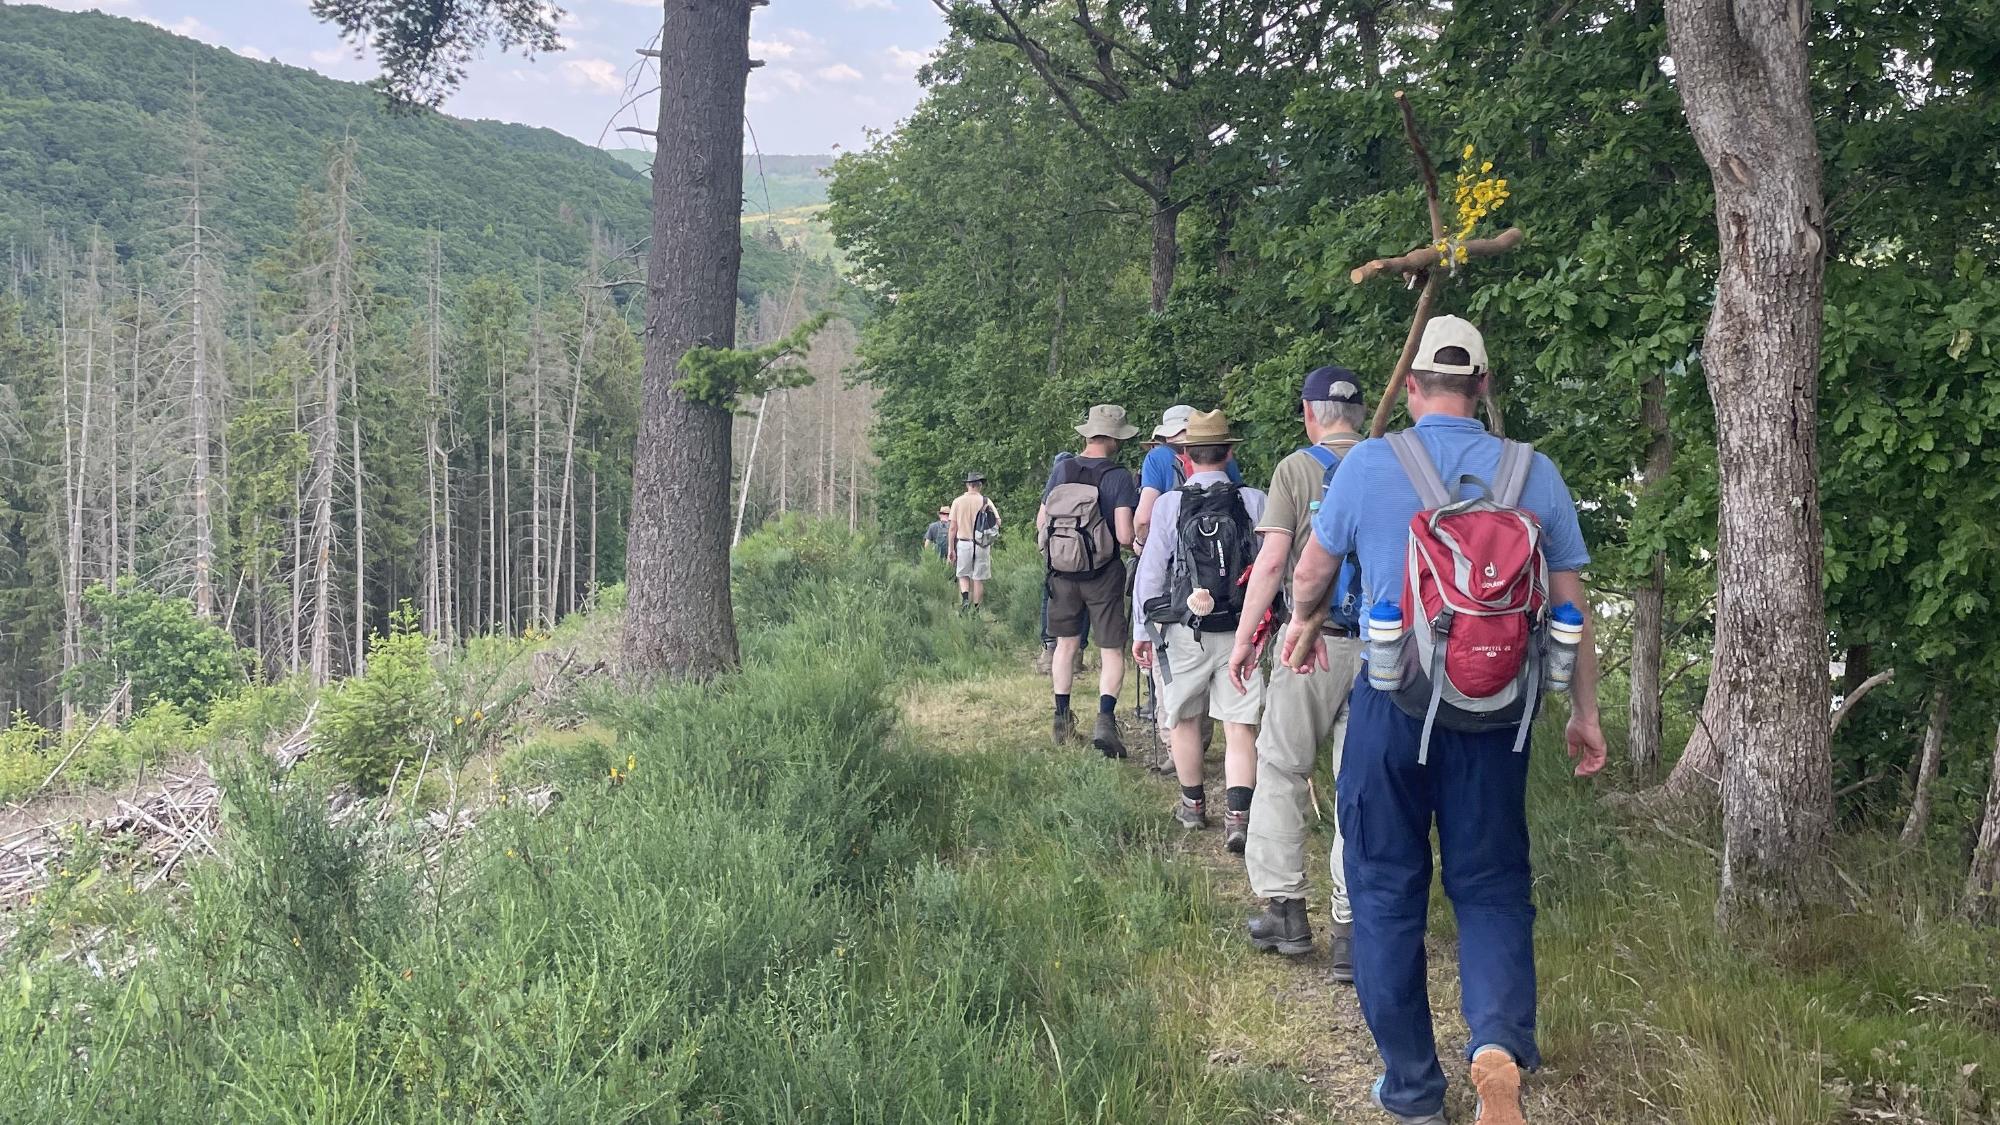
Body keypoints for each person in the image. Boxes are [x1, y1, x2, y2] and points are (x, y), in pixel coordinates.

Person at [1281, 317, 1607, 1125]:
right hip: (1498, 713)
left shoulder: (1367, 466)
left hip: (1394, 706)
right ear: (1485, 388)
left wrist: (1300, 619)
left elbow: (1313, 571)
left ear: (1415, 387)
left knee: (1386, 886)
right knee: (1493, 886)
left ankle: (1414, 1087)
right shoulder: (1537, 473)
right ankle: (1495, 1043)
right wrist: (1586, 713)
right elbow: (1573, 610)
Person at [1226, 366, 1368, 978]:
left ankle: (1286, 911)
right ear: (1359, 414)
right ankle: (1352, 930)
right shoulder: (1394, 462)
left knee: (1282, 770)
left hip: (1308, 644)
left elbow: (1272, 564)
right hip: (1385, 651)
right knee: (1360, 788)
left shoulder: (1295, 468)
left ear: (1309, 413)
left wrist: (1243, 643)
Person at [1132, 410, 1266, 848]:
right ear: (1229, 453)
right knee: (1240, 725)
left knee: (1185, 719)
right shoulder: (1254, 501)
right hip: (1241, 630)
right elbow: (1269, 569)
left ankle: (1192, 807)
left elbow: (1151, 573)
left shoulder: (1170, 504)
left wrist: (1141, 629)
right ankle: (1238, 818)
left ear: (1185, 456)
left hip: (1184, 630)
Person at [1038, 404, 1140, 755]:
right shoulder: (1118, 476)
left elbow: (1041, 521)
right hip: (1103, 574)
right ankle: (1105, 722)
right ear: (1113, 438)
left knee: (1065, 646)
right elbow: (1125, 534)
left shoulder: (1062, 469)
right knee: (1111, 650)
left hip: (1061, 573)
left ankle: (1062, 717)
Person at [948, 472, 999, 612]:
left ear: (967, 485)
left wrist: (950, 549)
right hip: (981, 544)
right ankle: (976, 610)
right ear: (980, 485)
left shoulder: (957, 502)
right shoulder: (985, 501)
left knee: (963, 575)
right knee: (978, 578)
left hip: (964, 543)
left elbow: (952, 528)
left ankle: (965, 600)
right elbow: (998, 521)